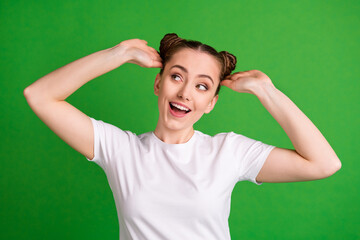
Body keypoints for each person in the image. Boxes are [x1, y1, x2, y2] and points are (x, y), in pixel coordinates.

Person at [24, 33, 341, 240]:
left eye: (202, 85)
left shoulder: (228, 152)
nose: (186, 93)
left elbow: (324, 164)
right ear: (158, 84)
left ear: (211, 102)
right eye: (177, 77)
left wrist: (266, 91)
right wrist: (117, 54)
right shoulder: (120, 149)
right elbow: (39, 95)